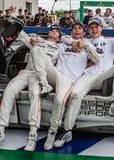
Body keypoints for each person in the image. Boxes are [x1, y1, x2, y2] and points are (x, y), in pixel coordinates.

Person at [52, 15, 114, 148]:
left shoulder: (109, 41)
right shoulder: (84, 39)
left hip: (104, 75)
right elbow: (64, 37)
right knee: (75, 95)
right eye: (91, 27)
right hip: (87, 76)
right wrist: (72, 42)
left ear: (101, 28)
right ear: (87, 30)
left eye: (96, 27)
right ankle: (67, 131)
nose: (94, 29)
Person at [0, 24, 62, 152]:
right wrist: (9, 23)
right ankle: (0, 131)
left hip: (39, 76)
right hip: (26, 72)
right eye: (52, 30)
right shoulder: (36, 41)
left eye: (56, 31)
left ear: (60, 38)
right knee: (8, 92)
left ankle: (32, 136)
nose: (53, 32)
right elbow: (20, 34)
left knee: (35, 95)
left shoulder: (60, 48)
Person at [31, 21, 101, 150]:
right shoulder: (63, 44)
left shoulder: (88, 44)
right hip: (54, 74)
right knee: (36, 50)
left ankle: (52, 133)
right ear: (71, 32)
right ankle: (44, 84)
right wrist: (70, 42)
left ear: (84, 32)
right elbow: (58, 38)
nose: (77, 30)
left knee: (59, 99)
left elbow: (97, 60)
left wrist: (85, 46)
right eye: (74, 28)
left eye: (80, 28)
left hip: (69, 80)